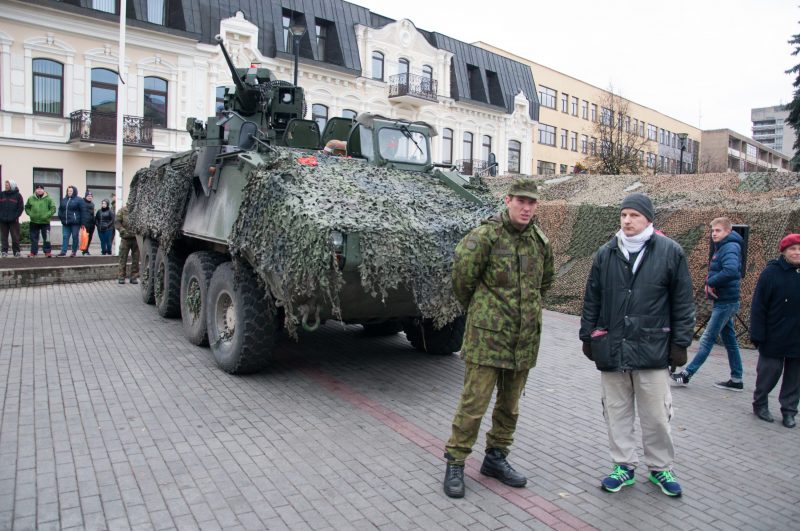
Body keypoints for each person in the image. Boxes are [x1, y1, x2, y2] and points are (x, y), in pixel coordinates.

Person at [442, 179, 555, 499]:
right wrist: (483, 311)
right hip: (487, 339)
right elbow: (462, 280)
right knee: (473, 404)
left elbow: (545, 283)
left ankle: (495, 458)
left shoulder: (539, 241)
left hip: (523, 339)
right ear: (508, 200)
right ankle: (456, 461)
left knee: (510, 406)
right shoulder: (485, 236)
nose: (526, 208)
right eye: (521, 201)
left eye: (531, 202)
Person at [580, 193, 694, 498]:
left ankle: (660, 468)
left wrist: (680, 343)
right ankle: (623, 466)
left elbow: (683, 302)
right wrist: (587, 336)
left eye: (634, 215)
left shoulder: (670, 252)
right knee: (616, 413)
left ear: (648, 219)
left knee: (656, 416)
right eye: (623, 215)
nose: (627, 221)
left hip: (652, 348)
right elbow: (592, 298)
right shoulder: (606, 253)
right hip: (613, 347)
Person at [672, 217, 744, 390]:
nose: (714, 234)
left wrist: (711, 282)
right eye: (712, 230)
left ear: (728, 231)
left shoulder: (730, 247)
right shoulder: (724, 246)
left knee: (707, 338)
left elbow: (731, 270)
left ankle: (687, 374)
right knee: (730, 341)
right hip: (724, 300)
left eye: (718, 230)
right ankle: (737, 379)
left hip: (726, 302)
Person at [750, 233, 800, 429]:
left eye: (799, 249)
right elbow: (758, 306)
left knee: (794, 377)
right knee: (769, 372)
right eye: (793, 249)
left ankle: (789, 410)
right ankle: (760, 403)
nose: (797, 252)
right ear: (784, 251)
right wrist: (757, 334)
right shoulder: (771, 273)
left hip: (797, 336)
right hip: (774, 333)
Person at [24, 184, 57, 257]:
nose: (39, 190)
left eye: (41, 189)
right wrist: (30, 214)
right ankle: (33, 252)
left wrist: (47, 215)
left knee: (47, 238)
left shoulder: (49, 199)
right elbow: (27, 207)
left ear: (43, 190)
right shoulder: (31, 198)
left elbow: (53, 208)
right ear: (35, 190)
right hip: (34, 221)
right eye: (37, 189)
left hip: (45, 222)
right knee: (34, 238)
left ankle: (47, 252)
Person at [115, 205, 139, 284]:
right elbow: (117, 222)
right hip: (125, 239)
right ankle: (121, 277)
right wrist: (122, 230)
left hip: (136, 239)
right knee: (123, 258)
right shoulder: (122, 210)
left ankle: (134, 277)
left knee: (136, 259)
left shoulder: (137, 210)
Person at [0, 179, 24, 257]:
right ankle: (4, 251)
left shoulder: (18, 195)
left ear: (12, 186)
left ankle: (16, 251)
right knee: (3, 237)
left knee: (15, 236)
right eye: (5, 185)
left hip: (14, 220)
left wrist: (15, 216)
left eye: (7, 185)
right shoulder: (1, 194)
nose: (6, 186)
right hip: (3, 220)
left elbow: (20, 208)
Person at [57, 185, 82, 257]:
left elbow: (83, 211)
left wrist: (82, 222)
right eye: (68, 191)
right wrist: (61, 218)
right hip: (66, 223)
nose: (69, 192)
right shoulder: (64, 200)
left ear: (74, 191)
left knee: (75, 236)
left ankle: (74, 252)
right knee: (65, 236)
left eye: (71, 191)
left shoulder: (79, 200)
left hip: (75, 223)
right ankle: (63, 251)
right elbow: (60, 210)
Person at [80, 191, 96, 255]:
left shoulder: (92, 204)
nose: (90, 197)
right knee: (85, 237)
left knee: (90, 237)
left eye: (91, 196)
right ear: (86, 196)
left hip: (92, 223)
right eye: (88, 196)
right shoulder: (82, 203)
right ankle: (84, 250)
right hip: (85, 223)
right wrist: (81, 223)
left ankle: (86, 250)